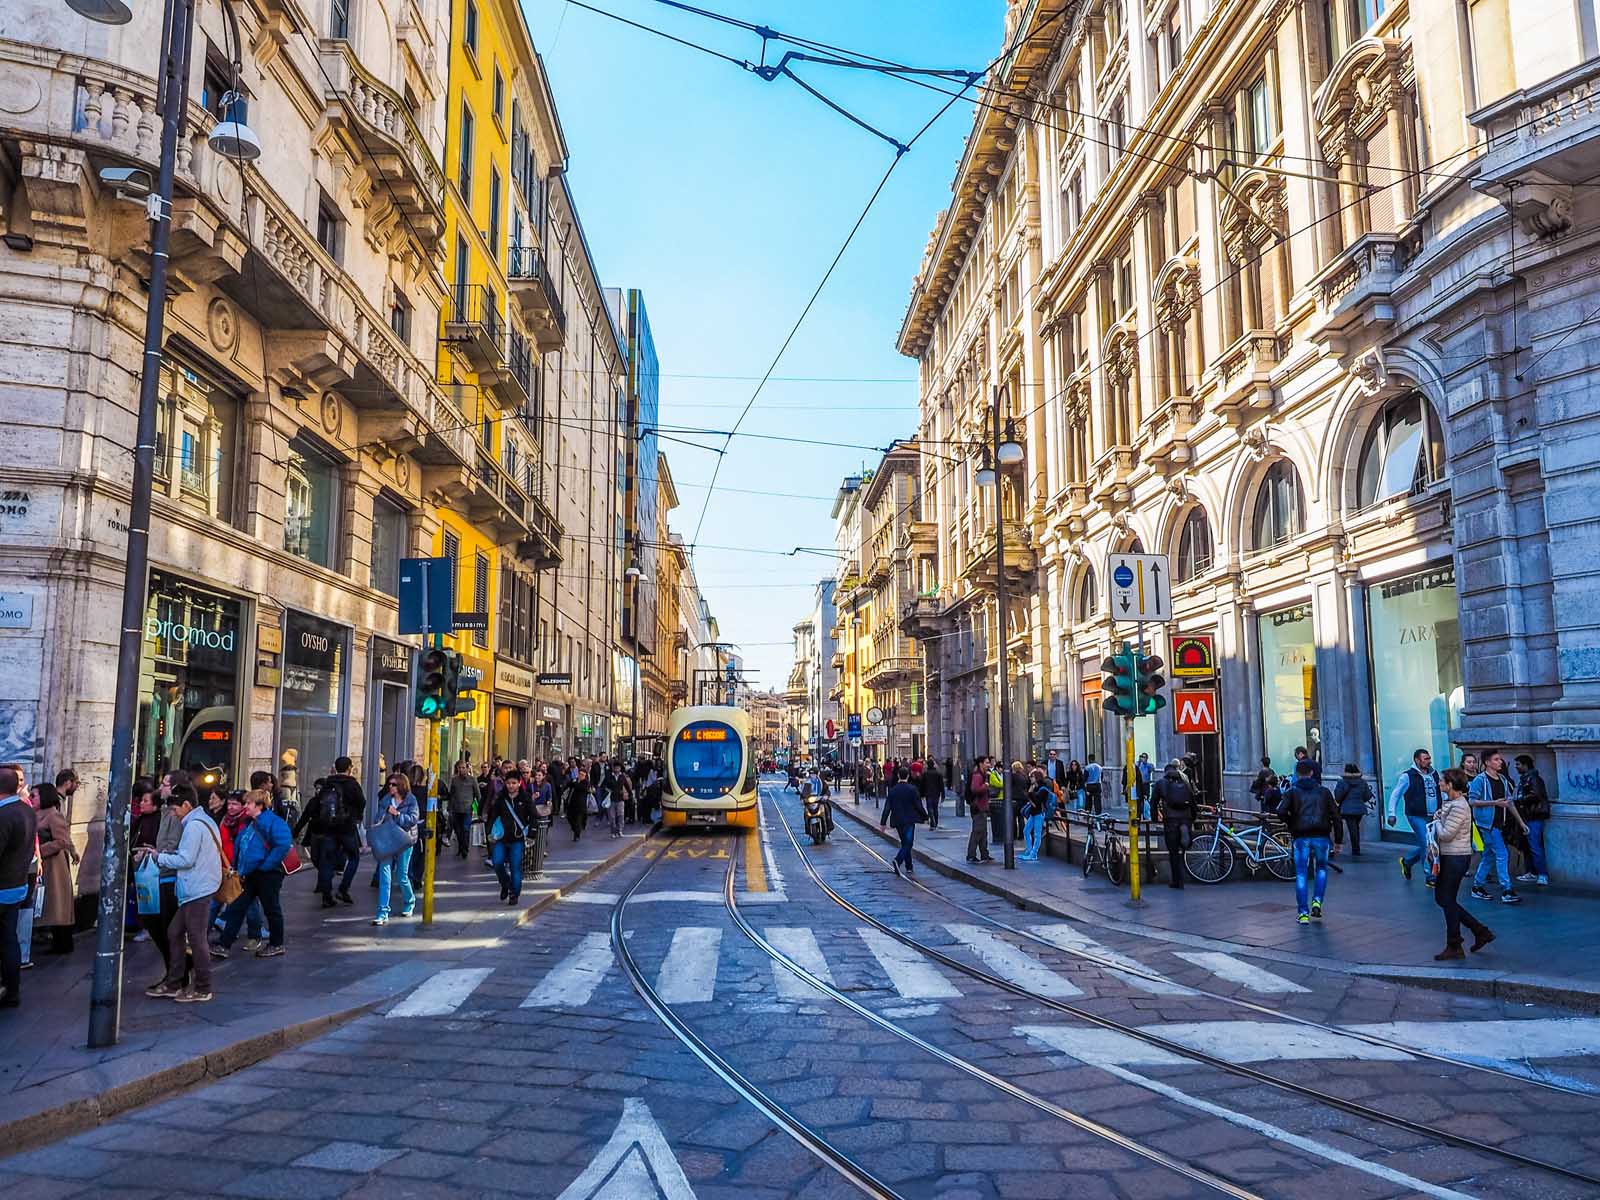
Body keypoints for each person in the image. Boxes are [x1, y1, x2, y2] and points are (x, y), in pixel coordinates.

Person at [141, 783, 222, 1003]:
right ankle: (175, 982)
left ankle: (203, 987)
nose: (174, 814)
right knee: (174, 932)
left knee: (196, 938)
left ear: (186, 805)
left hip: (198, 888)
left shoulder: (194, 826)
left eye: (175, 809)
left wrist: (160, 856)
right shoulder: (203, 821)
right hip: (196, 887)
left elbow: (186, 860)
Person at [214, 789, 291, 956]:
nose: (245, 806)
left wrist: (266, 865)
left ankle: (277, 944)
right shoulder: (251, 822)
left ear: (259, 805)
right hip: (249, 873)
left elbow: (283, 845)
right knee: (236, 908)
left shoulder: (272, 822)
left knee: (271, 909)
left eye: (248, 803)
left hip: (267, 874)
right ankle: (224, 944)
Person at [1430, 767, 1494, 959]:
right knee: (1442, 899)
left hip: (1455, 858)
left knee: (1446, 900)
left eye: (1442, 781)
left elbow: (1446, 834)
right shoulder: (1451, 802)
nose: (1439, 783)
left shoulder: (1459, 806)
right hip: (1449, 857)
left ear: (1450, 785)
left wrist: (1436, 821)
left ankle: (1455, 944)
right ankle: (1479, 931)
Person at [294, 756, 366, 908]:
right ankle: (343, 888)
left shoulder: (327, 784)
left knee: (326, 860)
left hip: (328, 828)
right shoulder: (352, 784)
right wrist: (356, 816)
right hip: (347, 827)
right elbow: (362, 802)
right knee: (353, 857)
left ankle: (326, 894)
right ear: (349, 768)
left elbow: (317, 804)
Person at [1278, 760, 1334, 925]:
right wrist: (1338, 839)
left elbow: (1280, 811)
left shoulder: (1292, 792)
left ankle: (1303, 913)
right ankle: (1317, 900)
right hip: (1321, 835)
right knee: (1321, 869)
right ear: (1311, 773)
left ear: (1298, 774)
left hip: (1301, 835)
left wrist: (1291, 823)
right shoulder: (1324, 792)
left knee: (1301, 873)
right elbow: (1335, 815)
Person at [0, 766, 37, 1009]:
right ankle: (12, 990)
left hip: (3, 885)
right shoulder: (26, 810)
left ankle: (10, 989)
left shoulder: (5, 815)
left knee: (6, 939)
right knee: (8, 938)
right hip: (17, 883)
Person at [1469, 749, 1526, 904]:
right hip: (1487, 825)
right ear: (1487, 762)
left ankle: (1477, 886)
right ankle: (1506, 889)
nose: (1500, 762)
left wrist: (1521, 822)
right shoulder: (1480, 780)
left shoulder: (1502, 779)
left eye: (1499, 759)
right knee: (1502, 854)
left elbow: (1509, 802)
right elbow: (1472, 801)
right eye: (1496, 759)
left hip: (1499, 823)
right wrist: (1494, 802)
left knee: (1489, 855)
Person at [31, 783, 79, 955]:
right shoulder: (35, 814)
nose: (32, 798)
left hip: (54, 866)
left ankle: (63, 943)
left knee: (58, 904)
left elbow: (62, 840)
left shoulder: (53, 815)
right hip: (43, 865)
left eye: (34, 795)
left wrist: (40, 850)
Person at [370, 774, 420, 926]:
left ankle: (409, 901)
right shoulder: (385, 799)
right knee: (385, 876)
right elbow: (377, 818)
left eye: (393, 784)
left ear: (401, 786)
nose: (390, 787)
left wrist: (397, 814)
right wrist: (383, 815)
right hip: (388, 839)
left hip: (404, 840)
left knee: (401, 875)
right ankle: (382, 912)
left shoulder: (411, 800)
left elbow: (413, 819)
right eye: (389, 784)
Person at [1390, 749, 1442, 885]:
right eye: (1425, 759)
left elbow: (1442, 792)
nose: (1428, 761)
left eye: (1429, 758)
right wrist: (1391, 814)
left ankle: (1407, 861)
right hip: (1416, 815)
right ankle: (1430, 876)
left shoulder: (1434, 774)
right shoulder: (1407, 776)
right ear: (1417, 760)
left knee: (1431, 844)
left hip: (1434, 815)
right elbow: (1396, 794)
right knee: (1427, 843)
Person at [488, 772, 534, 903]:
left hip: (517, 839)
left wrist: (532, 835)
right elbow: (494, 815)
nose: (511, 786)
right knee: (497, 863)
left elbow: (533, 816)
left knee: (515, 866)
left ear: (519, 783)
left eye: (514, 783)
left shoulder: (525, 798)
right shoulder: (501, 798)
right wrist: (489, 833)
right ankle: (505, 883)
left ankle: (514, 893)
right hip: (501, 838)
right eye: (508, 783)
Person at [1153, 760, 1197, 888]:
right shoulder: (1186, 781)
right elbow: (1192, 800)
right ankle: (1185, 839)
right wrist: (1192, 818)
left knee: (1173, 852)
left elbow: (1153, 801)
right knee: (1183, 850)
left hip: (1171, 820)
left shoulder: (1161, 783)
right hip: (1186, 818)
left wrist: (1155, 818)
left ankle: (1177, 881)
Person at [880, 767, 927, 877]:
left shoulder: (893, 790)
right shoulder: (912, 789)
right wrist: (925, 816)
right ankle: (898, 860)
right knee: (908, 843)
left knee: (905, 843)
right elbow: (918, 805)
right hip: (909, 821)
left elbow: (887, 808)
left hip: (897, 820)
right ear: (908, 776)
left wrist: (883, 822)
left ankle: (909, 866)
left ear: (898, 776)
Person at [1513, 754, 1551, 887]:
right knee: (1528, 845)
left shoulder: (1532, 778)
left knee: (1534, 845)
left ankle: (1542, 874)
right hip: (1528, 816)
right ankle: (1532, 872)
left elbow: (1536, 795)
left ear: (1525, 765)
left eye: (1518, 764)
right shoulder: (1526, 778)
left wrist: (1519, 799)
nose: (1516, 767)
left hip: (1533, 815)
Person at [1331, 765, 1372, 857]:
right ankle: (1356, 848)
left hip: (1347, 808)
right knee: (1355, 827)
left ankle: (1356, 849)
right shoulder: (1362, 782)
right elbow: (1368, 796)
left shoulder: (1342, 782)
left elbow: (1338, 797)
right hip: (1360, 809)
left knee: (1352, 828)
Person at [1018, 769, 1054, 862]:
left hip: (1039, 813)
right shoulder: (1035, 787)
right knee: (1026, 831)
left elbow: (1037, 802)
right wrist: (1030, 793)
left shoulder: (1043, 789)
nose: (1030, 779)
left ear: (1037, 778)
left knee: (1037, 834)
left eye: (1032, 777)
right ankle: (1029, 851)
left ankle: (1034, 854)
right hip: (1033, 812)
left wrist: (1030, 793)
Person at [446, 761, 479, 860]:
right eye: (459, 768)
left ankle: (465, 849)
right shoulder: (454, 780)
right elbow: (451, 794)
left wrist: (479, 808)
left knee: (466, 829)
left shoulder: (472, 780)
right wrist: (449, 807)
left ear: (467, 768)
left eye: (463, 767)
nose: (462, 770)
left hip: (467, 809)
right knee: (458, 830)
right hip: (456, 809)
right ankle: (461, 847)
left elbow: (478, 794)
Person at [967, 758, 993, 864]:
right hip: (978, 807)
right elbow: (975, 789)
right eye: (986, 762)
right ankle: (971, 855)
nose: (988, 764)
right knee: (977, 831)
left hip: (982, 806)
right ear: (981, 764)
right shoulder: (977, 775)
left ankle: (984, 854)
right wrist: (985, 786)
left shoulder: (984, 774)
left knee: (983, 832)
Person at [565, 763, 589, 841]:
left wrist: (575, 783)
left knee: (578, 821)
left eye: (582, 775)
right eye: (580, 774)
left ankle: (577, 835)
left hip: (580, 805)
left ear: (585, 776)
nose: (581, 776)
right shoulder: (574, 780)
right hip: (572, 803)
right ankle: (575, 829)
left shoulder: (586, 782)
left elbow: (580, 788)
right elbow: (568, 785)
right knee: (570, 818)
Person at [921, 759, 945, 830]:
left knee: (929, 808)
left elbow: (922, 785)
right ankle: (935, 823)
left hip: (928, 793)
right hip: (936, 793)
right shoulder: (938, 773)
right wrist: (943, 794)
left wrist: (922, 794)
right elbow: (941, 785)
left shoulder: (925, 774)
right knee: (935, 808)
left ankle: (932, 822)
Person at [1135, 753, 1154, 821]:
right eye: (1141, 757)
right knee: (1139, 800)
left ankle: (1146, 815)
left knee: (1146, 799)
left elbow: (1152, 769)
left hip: (1146, 784)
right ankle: (1139, 815)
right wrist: (1139, 762)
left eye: (1144, 757)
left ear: (1146, 758)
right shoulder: (1138, 764)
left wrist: (1145, 763)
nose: (1142, 758)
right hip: (1139, 785)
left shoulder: (1148, 765)